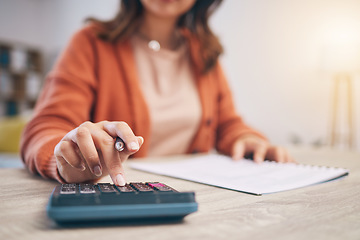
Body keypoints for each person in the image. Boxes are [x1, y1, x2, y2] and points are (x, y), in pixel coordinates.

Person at [20, 0, 294, 186]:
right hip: (120, 197)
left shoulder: (203, 52)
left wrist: (247, 139)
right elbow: (45, 128)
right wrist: (64, 157)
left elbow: (227, 124)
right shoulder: (91, 42)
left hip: (194, 197)